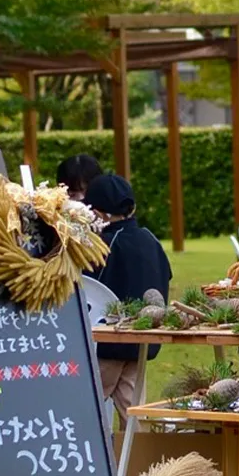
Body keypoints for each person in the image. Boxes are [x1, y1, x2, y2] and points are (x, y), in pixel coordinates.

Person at [83, 173, 171, 424]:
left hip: (107, 344)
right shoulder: (150, 239)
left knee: (86, 413)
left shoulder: (104, 244)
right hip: (142, 344)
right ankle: (141, 462)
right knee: (135, 417)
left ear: (99, 214)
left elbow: (88, 287)